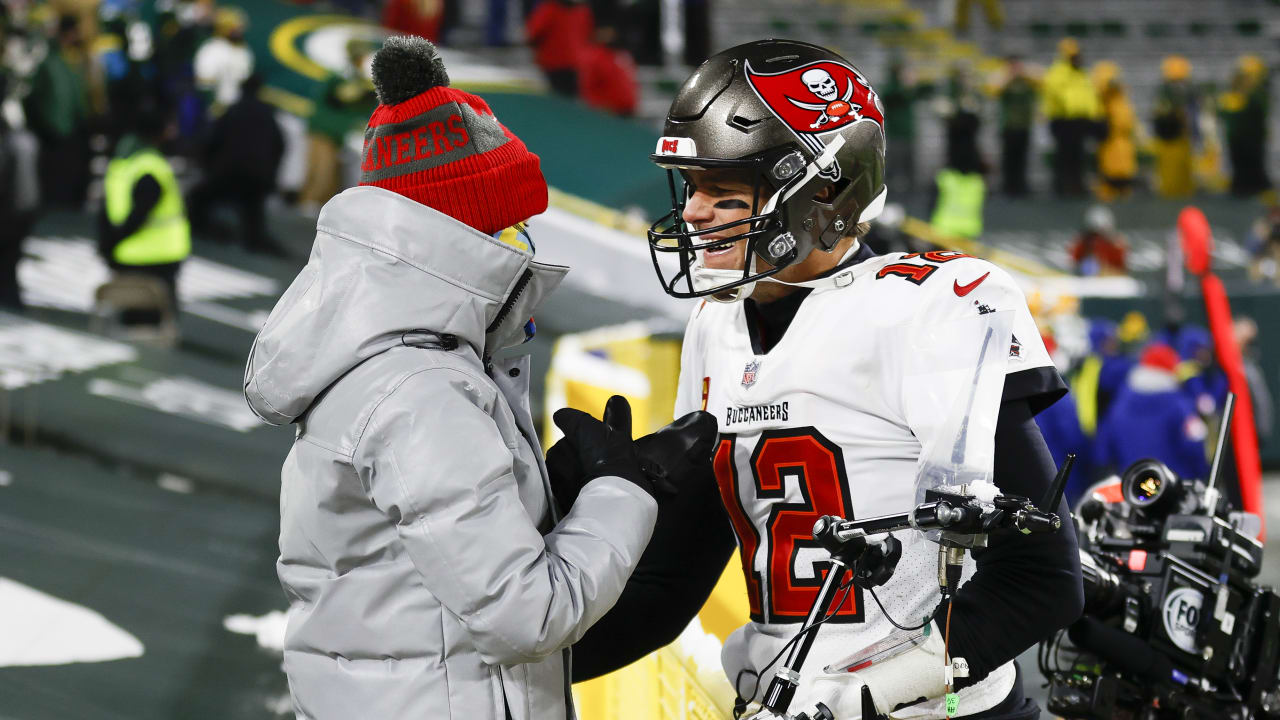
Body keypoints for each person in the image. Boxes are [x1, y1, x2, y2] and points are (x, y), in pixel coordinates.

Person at [243, 36, 713, 719]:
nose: (526, 239)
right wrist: (621, 492)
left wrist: (550, 494)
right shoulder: (421, 390)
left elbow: (417, 569)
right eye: (513, 220)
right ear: (464, 234)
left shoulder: (391, 356)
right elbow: (527, 617)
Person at [643, 39, 1082, 719]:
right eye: (694, 188)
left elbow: (1041, 580)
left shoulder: (925, 308)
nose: (694, 213)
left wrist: (868, 696)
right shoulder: (714, 326)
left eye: (723, 192)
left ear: (824, 193)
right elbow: (675, 577)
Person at [97, 106, 190, 316]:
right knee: (153, 317)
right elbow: (138, 216)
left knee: (133, 316)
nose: (173, 132)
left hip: (125, 254)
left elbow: (108, 210)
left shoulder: (122, 161)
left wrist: (107, 245)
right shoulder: (152, 167)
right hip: (157, 257)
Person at [187, 74, 286, 255]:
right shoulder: (267, 115)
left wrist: (207, 165)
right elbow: (279, 146)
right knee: (252, 209)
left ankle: (201, 228)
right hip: (257, 175)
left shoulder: (233, 110)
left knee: (199, 199)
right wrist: (270, 174)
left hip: (229, 171)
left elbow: (212, 139)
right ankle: (254, 240)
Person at [1095, 343, 1209, 481]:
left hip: (1134, 488)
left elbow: (1103, 451)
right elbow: (1194, 446)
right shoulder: (1180, 406)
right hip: (1174, 488)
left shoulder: (1119, 404)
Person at [1041, 38, 1100, 197]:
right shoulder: (1058, 72)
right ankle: (1062, 188)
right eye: (1074, 55)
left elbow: (1089, 96)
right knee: (1064, 156)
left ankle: (1077, 186)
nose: (1077, 58)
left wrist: (1092, 113)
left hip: (1079, 120)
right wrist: (1073, 109)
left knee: (1078, 156)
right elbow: (1058, 94)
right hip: (1063, 120)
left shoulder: (1081, 73)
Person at [1219, 55, 1272, 197]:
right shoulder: (1233, 95)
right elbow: (1223, 112)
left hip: (1253, 140)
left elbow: (1257, 110)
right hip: (1236, 140)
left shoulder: (1258, 95)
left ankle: (1255, 186)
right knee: (1240, 165)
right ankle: (1242, 186)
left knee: (1254, 164)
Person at [525, 0, 593, 97]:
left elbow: (533, 33)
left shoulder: (550, 8)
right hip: (577, 65)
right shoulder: (583, 11)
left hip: (553, 65)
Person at [1151, 55, 1196, 198]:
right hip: (1171, 142)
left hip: (1179, 142)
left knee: (1181, 182)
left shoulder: (1177, 92)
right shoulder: (1168, 93)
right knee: (1172, 185)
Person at [193, 6, 252, 115]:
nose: (239, 31)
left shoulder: (243, 50)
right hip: (220, 109)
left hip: (240, 107)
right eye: (234, 28)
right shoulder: (212, 50)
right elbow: (204, 86)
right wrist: (215, 107)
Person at [1092, 61, 1137, 202]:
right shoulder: (1103, 99)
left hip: (1124, 144)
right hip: (1110, 144)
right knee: (1110, 182)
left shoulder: (1121, 97)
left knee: (1124, 181)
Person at [997, 55, 1036, 196]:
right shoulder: (1005, 81)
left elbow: (1040, 83)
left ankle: (1021, 185)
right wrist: (1008, 76)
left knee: (1022, 158)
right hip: (1009, 125)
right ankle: (1009, 186)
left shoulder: (1026, 82)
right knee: (1009, 158)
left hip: (1024, 125)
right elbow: (995, 90)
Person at [1068, 205, 1127, 276]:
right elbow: (1074, 262)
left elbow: (1121, 265)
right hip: (1087, 274)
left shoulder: (1115, 243)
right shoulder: (1083, 241)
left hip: (1109, 275)